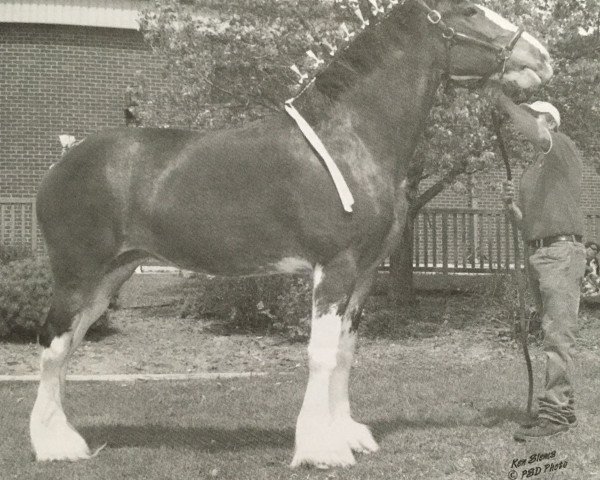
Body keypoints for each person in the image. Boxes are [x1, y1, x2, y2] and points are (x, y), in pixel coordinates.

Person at [496, 91, 586, 441]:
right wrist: (512, 210)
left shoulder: (560, 147)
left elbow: (537, 134)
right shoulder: (533, 170)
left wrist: (501, 101)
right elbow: (529, 224)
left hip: (562, 254)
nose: (529, 120)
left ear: (550, 122)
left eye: (535, 115)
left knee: (557, 335)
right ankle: (563, 407)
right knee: (553, 331)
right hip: (538, 253)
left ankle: (555, 415)